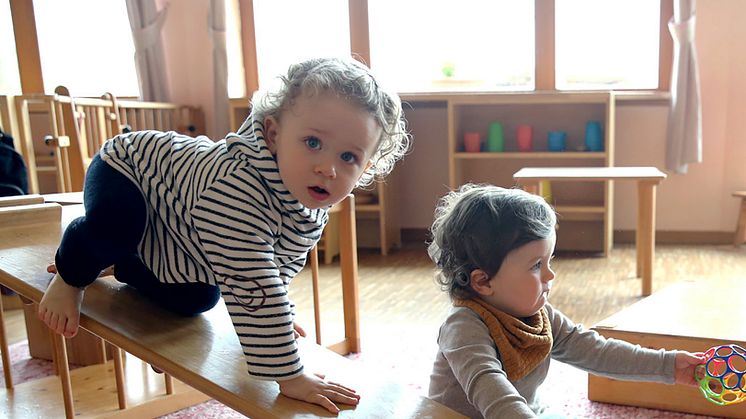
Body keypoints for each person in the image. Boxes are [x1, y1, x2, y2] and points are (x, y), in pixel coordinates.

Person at [38, 57, 410, 414]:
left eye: (348, 157)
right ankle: (72, 271)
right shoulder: (237, 189)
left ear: (366, 168)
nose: (327, 168)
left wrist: (275, 315)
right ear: (274, 133)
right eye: (313, 143)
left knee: (198, 296)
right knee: (117, 226)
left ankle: (121, 260)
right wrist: (289, 373)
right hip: (130, 172)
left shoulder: (307, 197)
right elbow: (252, 274)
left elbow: (276, 261)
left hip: (180, 219)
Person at [426, 184, 705, 418]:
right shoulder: (463, 326)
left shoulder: (539, 317)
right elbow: (489, 386)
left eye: (550, 260)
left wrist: (668, 365)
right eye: (536, 265)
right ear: (483, 281)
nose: (550, 273)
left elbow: (596, 351)